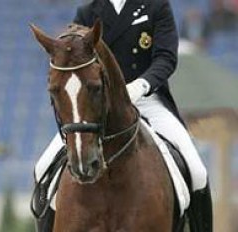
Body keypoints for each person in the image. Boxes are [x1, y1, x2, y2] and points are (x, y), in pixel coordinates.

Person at [33, 0, 213, 231]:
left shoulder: (156, 7)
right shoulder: (89, 11)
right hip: (96, 104)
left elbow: (166, 57)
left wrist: (141, 85)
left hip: (148, 99)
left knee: (197, 171)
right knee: (42, 169)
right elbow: (74, 61)